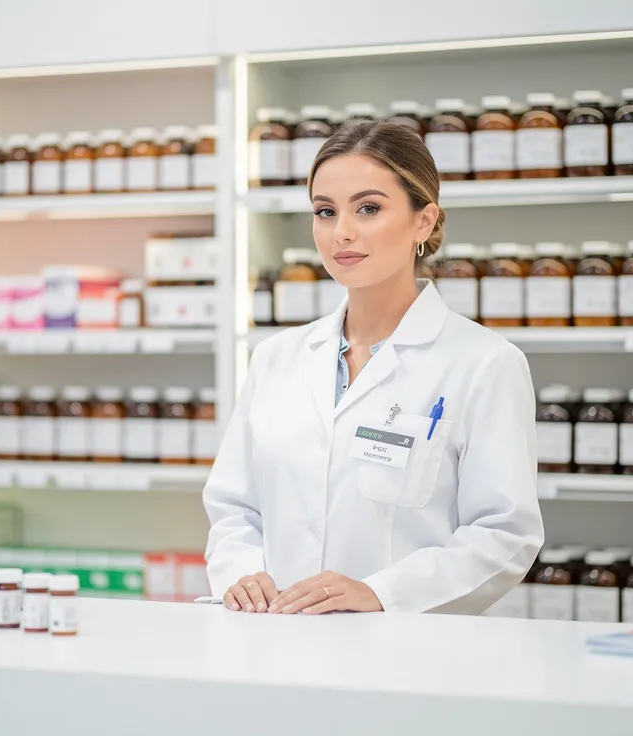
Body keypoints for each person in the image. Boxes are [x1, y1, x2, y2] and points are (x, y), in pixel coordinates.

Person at [203, 120, 542, 616]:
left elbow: (504, 534)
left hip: (404, 652)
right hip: (272, 638)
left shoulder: (485, 363)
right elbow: (235, 508)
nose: (341, 231)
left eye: (368, 208)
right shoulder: (277, 357)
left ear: (423, 222)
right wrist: (242, 575)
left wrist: (383, 593)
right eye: (325, 211)